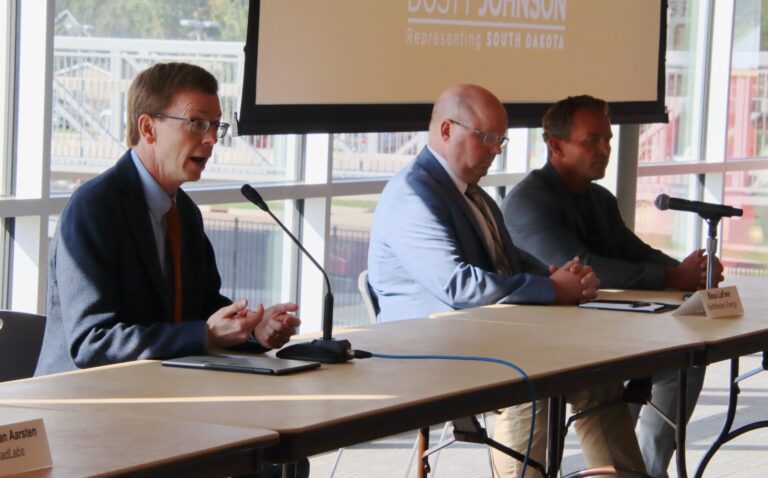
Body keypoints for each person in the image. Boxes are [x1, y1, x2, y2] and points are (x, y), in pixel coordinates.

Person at [368, 84, 646, 477]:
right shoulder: (413, 194)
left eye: (501, 140)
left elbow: (507, 259)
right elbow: (458, 286)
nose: (496, 150)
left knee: (596, 377)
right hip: (424, 347)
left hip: (484, 336)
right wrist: (553, 289)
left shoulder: (472, 194)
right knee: (530, 378)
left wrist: (556, 274)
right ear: (447, 130)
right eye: (486, 137)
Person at [502, 95, 723, 477]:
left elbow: (635, 252)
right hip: (543, 348)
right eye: (593, 140)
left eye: (608, 139)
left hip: (601, 334)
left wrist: (689, 270)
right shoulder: (528, 201)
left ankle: (650, 469)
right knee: (619, 375)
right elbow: (584, 267)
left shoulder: (599, 198)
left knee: (684, 362)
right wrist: (675, 277)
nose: (605, 149)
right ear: (556, 146)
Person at [36, 62, 301, 376]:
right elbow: (91, 342)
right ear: (148, 128)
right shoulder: (94, 208)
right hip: (82, 396)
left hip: (161, 387)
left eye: (216, 125)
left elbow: (203, 310)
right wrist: (206, 335)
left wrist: (254, 328)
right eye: (197, 123)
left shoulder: (184, 211)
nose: (212, 139)